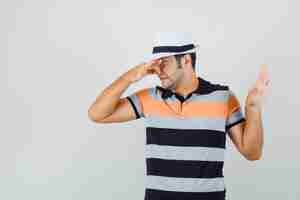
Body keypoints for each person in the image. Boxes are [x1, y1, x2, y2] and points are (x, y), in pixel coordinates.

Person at [88, 32, 270, 200]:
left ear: (185, 60)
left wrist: (252, 107)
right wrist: (131, 76)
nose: (158, 70)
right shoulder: (150, 98)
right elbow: (97, 114)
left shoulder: (222, 97)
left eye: (163, 62)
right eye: (155, 63)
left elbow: (252, 153)